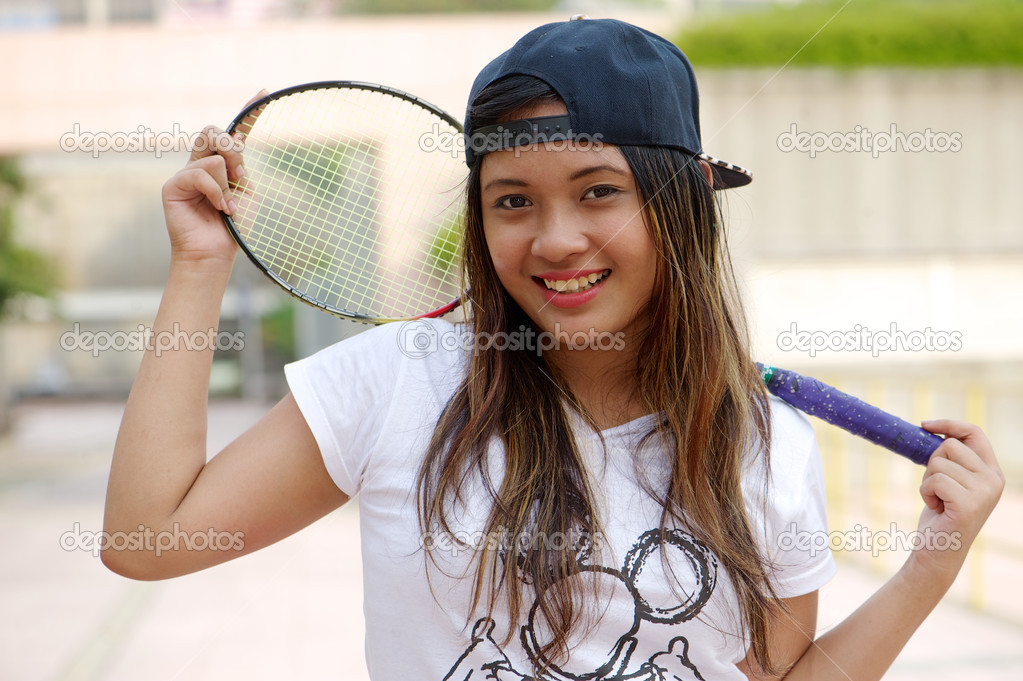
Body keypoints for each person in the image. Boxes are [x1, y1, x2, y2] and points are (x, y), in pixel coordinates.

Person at [102, 17, 1003, 681]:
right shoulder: (394, 384)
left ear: (681, 201)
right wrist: (197, 266)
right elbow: (148, 541)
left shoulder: (767, 443)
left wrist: (934, 560)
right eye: (512, 200)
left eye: (597, 189)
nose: (554, 238)